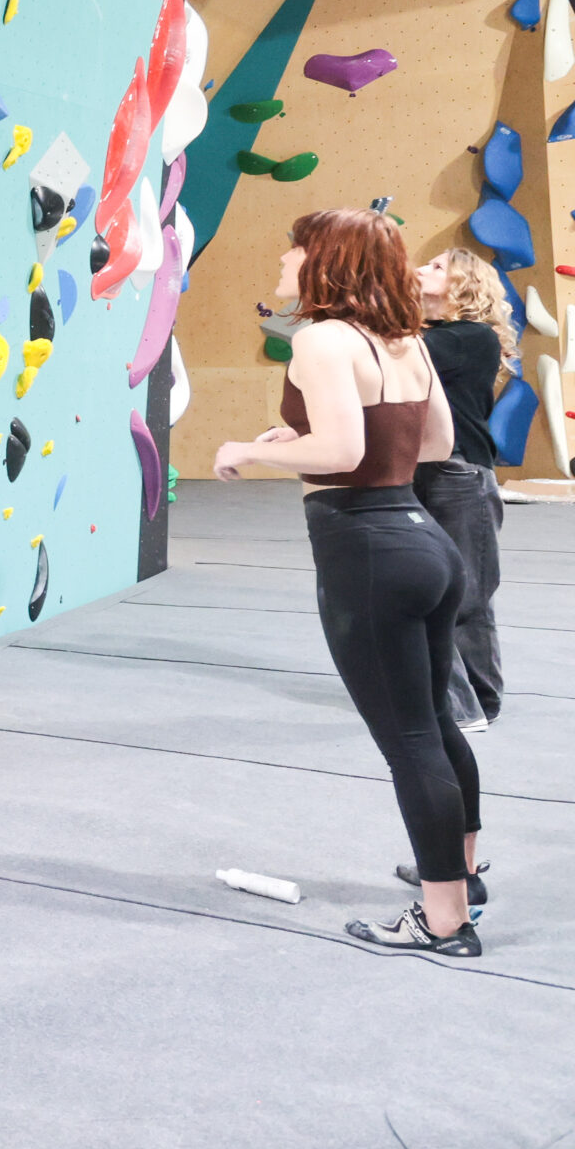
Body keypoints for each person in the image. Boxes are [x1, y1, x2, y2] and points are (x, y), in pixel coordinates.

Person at [213, 210, 482, 956]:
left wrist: (251, 449)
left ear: (321, 260)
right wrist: (294, 441)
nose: (281, 257)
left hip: (369, 551)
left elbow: (339, 445)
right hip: (421, 541)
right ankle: (461, 876)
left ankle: (444, 920)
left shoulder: (324, 339)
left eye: (292, 248)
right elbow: (435, 444)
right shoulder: (404, 341)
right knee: (434, 722)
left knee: (411, 741)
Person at [413, 248, 514, 735]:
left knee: (468, 594)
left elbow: (402, 357)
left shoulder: (471, 338)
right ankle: (455, 697)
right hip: (417, 473)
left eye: (435, 266)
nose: (421, 269)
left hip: (461, 476)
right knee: (422, 591)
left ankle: (478, 702)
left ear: (462, 284)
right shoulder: (424, 336)